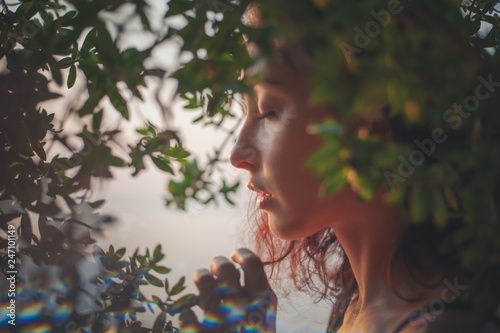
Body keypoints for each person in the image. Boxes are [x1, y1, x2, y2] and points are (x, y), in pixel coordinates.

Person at [177, 2, 499, 332]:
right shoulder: (355, 304)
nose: (237, 154)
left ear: (372, 120)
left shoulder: (443, 325)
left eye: (269, 111)